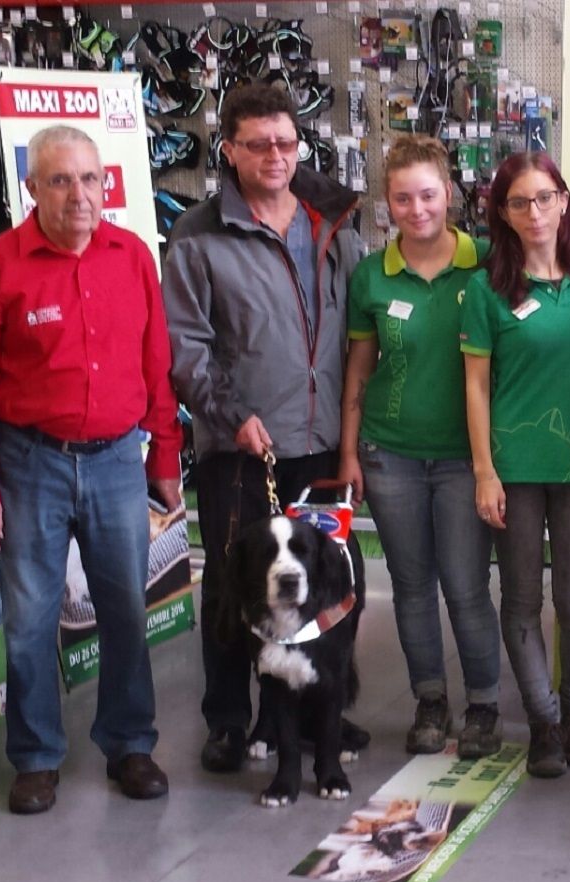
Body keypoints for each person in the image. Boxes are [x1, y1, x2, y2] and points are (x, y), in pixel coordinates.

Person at [0, 125, 182, 813]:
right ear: (32, 188)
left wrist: (166, 457)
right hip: (28, 463)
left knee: (125, 605)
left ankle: (129, 743)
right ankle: (35, 756)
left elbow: (157, 362)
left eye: (91, 179)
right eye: (61, 181)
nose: (80, 195)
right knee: (31, 615)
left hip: (120, 461)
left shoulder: (131, 258)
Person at [162, 83, 369, 773]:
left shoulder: (332, 223)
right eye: (258, 144)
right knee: (233, 584)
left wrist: (353, 439)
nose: (276, 156)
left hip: (322, 446)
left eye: (286, 141)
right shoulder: (198, 235)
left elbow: (357, 335)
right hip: (242, 449)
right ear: (229, 150)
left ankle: (319, 714)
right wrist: (227, 416)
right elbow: (185, 345)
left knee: (327, 584)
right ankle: (228, 720)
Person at [338, 135, 502, 759]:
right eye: (403, 198)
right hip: (390, 454)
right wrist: (350, 452)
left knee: (464, 586)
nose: (417, 208)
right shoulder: (371, 277)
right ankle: (430, 700)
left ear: (450, 194)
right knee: (410, 586)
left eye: (428, 194)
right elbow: (357, 369)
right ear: (387, 203)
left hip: (466, 457)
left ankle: (483, 704)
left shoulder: (486, 262)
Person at [460, 152, 570, 778]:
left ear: (564, 201)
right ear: (502, 213)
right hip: (514, 468)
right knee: (520, 598)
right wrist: (484, 470)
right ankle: (543, 722)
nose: (535, 211)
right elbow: (476, 386)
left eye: (544, 197)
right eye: (519, 202)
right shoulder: (486, 289)